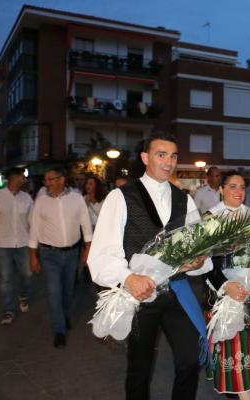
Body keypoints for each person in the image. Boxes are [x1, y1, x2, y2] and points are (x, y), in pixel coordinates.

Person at [88, 132, 213, 400]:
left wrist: (199, 260)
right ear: (145, 158)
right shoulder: (121, 197)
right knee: (140, 369)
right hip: (139, 296)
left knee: (190, 360)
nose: (169, 162)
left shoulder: (185, 199)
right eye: (161, 154)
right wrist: (128, 278)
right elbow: (99, 256)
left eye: (173, 155)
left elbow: (198, 248)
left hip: (177, 293)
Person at [204, 171, 250, 399]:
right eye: (232, 186)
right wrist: (225, 285)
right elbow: (205, 261)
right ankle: (239, 390)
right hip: (226, 292)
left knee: (249, 340)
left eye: (242, 187)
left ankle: (244, 383)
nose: (238, 191)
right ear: (221, 189)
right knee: (234, 342)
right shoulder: (211, 218)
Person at [29, 166, 93, 348]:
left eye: (50, 179)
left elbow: (86, 226)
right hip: (49, 254)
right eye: (46, 180)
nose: (47, 183)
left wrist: (87, 250)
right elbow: (34, 230)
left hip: (72, 253)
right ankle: (59, 330)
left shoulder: (77, 199)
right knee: (54, 292)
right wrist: (32, 256)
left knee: (68, 291)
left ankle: (64, 315)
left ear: (61, 179)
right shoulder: (40, 201)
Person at [0, 167, 34, 325]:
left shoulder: (27, 198)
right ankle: (9, 310)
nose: (24, 180)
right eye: (22, 177)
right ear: (14, 178)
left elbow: (32, 222)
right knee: (6, 279)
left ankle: (23, 294)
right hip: (1, 244)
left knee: (27, 274)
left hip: (23, 243)